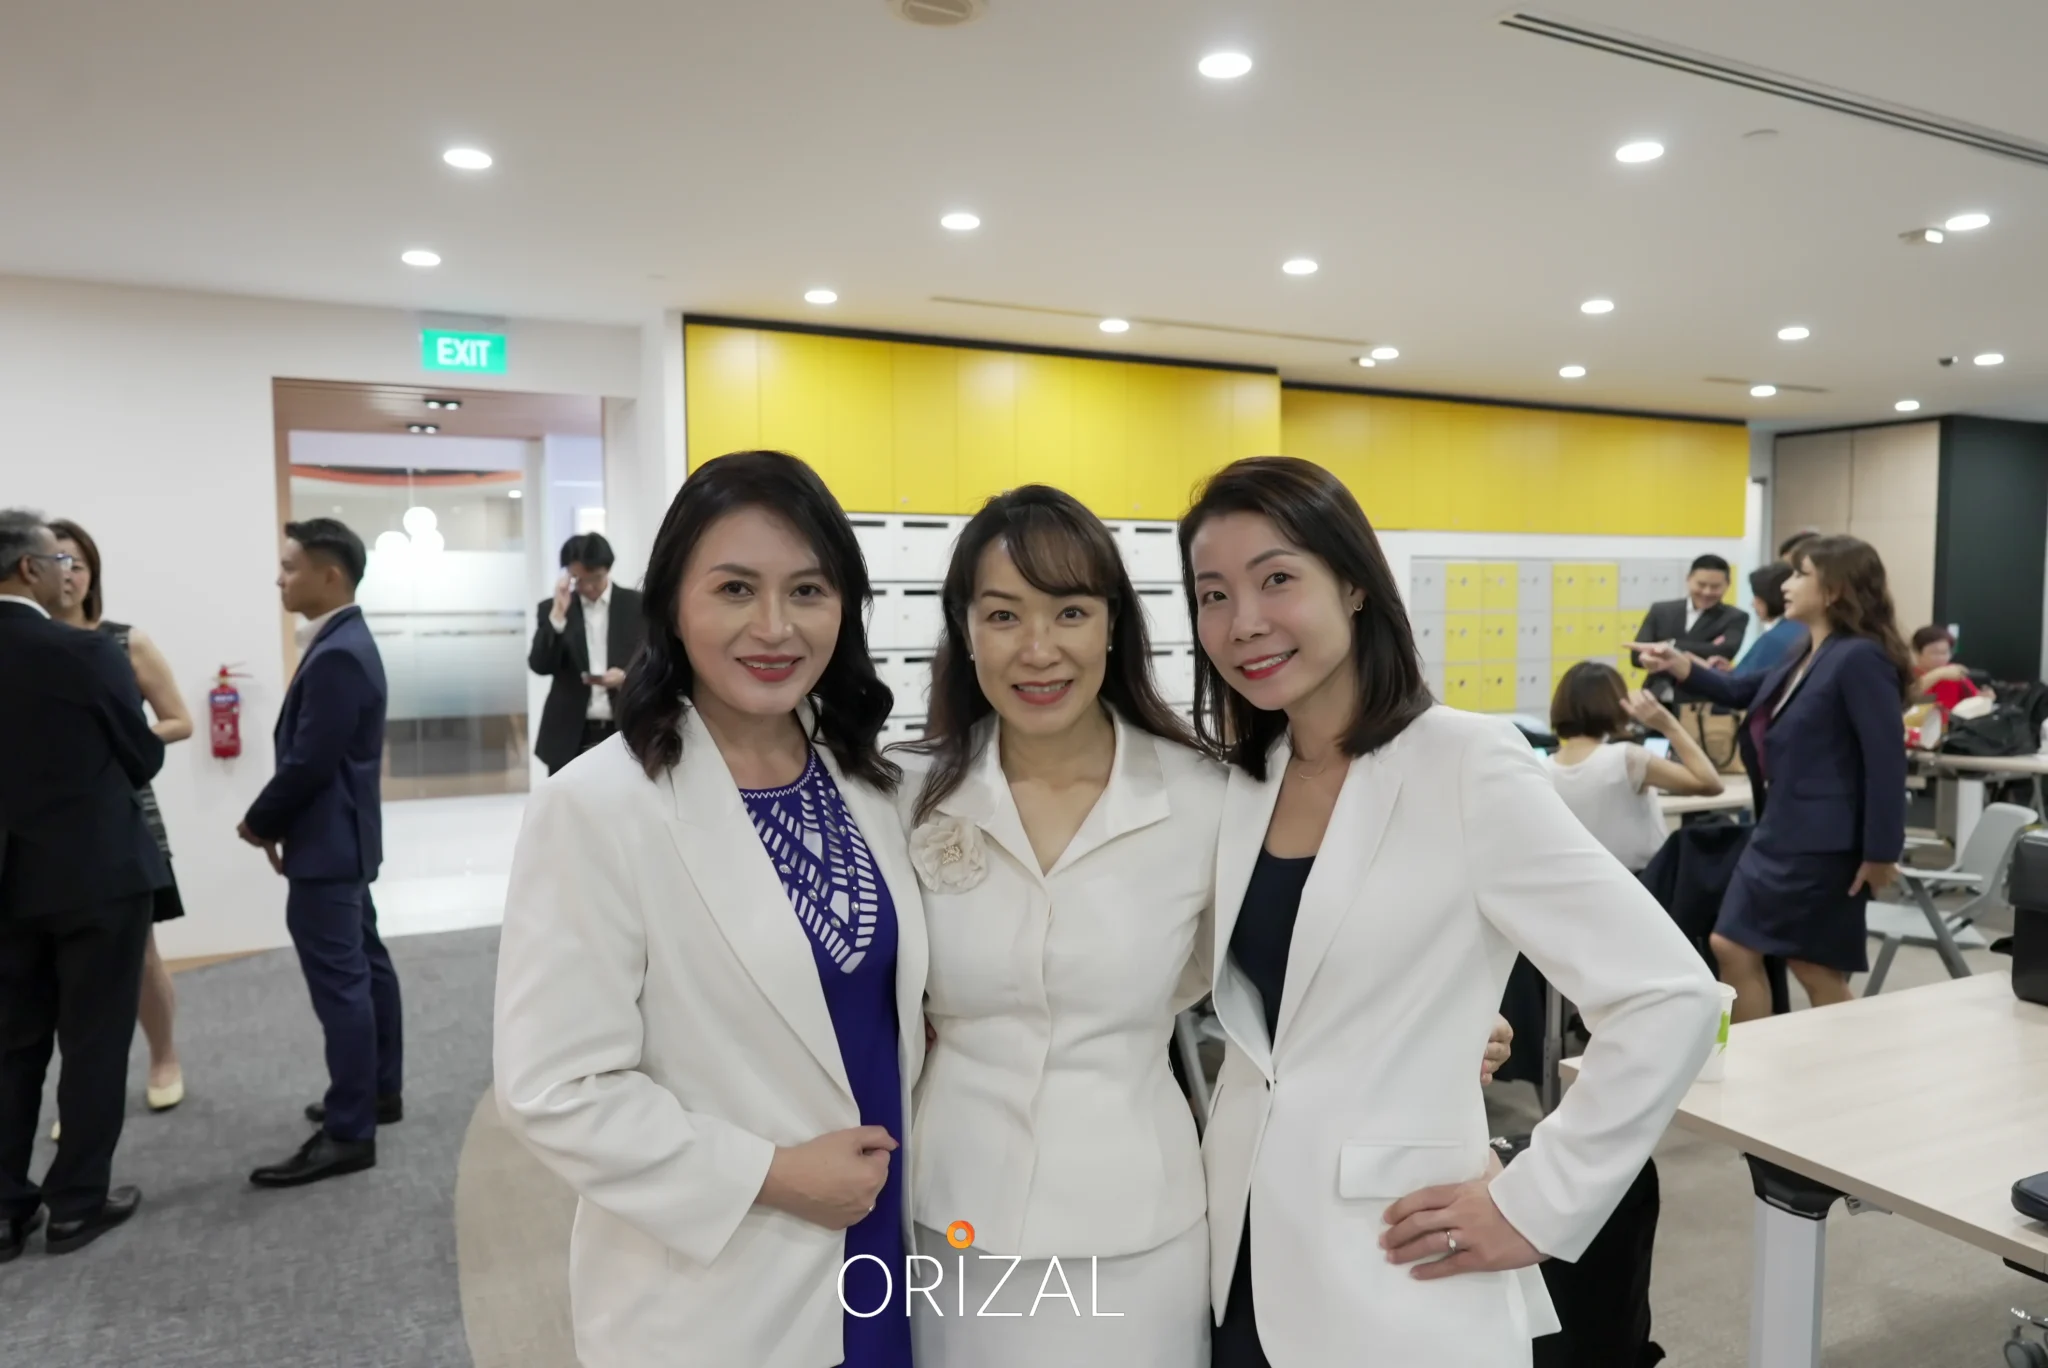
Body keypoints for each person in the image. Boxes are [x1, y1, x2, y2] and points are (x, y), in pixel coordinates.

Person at [1182, 458, 1719, 1367]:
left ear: (1353, 586)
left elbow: (1672, 997)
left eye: (1278, 579)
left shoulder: (1465, 762)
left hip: (1398, 1254)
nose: (1245, 623)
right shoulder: (1242, 780)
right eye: (1212, 594)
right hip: (1236, 1240)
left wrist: (1537, 1205)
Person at [494, 450, 926, 1367]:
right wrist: (770, 1175)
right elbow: (557, 1089)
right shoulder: (599, 804)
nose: (774, 627)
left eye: (808, 591)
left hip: (887, 1241)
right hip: (724, 1269)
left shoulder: (868, 780)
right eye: (735, 588)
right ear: (674, 607)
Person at [1634, 536, 1911, 1023]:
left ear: (1834, 589)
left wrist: (1882, 852)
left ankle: (1852, 1065)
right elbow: (1743, 688)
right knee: (1732, 944)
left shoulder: (1859, 658)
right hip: (1781, 832)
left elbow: (1886, 761)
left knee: (1814, 966)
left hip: (1824, 842)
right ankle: (1756, 1065)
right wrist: (1680, 665)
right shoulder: (1809, 650)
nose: (1787, 584)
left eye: (1800, 573)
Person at [0, 509, 165, 1258]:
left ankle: (4, 1212)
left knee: (11, 1045)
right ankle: (75, 1203)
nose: (70, 575)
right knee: (94, 1039)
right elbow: (142, 756)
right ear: (30, 571)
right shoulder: (84, 652)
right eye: (57, 563)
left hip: (7, 883)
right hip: (96, 874)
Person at [239, 519, 403, 1188]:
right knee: (366, 966)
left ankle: (349, 1129)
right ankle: (378, 1092)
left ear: (329, 574)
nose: (279, 578)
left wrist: (259, 821)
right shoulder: (344, 641)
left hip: (328, 844)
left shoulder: (337, 651)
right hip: (345, 839)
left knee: (344, 983)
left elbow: (311, 761)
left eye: (289, 566)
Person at [49, 519, 191, 1113]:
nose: (68, 573)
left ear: (93, 573)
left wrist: (118, 743)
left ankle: (163, 1056)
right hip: (43, 821)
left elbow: (178, 719)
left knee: (140, 950)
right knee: (54, 962)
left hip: (122, 810)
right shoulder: (22, 643)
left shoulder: (124, 641)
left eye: (78, 562)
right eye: (56, 560)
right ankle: (79, 1096)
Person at [1547, 662, 1724, 872]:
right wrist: (1668, 725)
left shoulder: (1544, 769)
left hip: (1581, 885)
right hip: (1643, 883)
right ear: (1615, 704)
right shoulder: (1625, 758)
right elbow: (1710, 783)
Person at [529, 532, 645, 776]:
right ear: (569, 575)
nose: (589, 587)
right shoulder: (554, 609)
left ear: (608, 570)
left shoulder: (636, 606)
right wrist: (558, 616)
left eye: (597, 578)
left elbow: (653, 659)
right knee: (567, 809)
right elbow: (540, 665)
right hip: (569, 733)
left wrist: (626, 677)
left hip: (623, 728)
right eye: (580, 579)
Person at [1631, 554, 1747, 699]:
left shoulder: (1735, 617)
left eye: (1715, 587)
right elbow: (1637, 655)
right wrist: (1704, 648)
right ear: (1688, 579)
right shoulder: (1661, 610)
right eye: (1701, 584)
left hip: (1701, 700)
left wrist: (1669, 645)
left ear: (1727, 585)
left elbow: (1724, 651)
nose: (1707, 592)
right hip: (1656, 695)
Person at [1731, 562, 1806, 680]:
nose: (1753, 603)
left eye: (1756, 596)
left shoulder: (1774, 639)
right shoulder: (1805, 629)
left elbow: (1739, 686)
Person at [1909, 625, 1981, 719]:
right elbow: (1908, 696)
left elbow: (1974, 699)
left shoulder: (1954, 674)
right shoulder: (1908, 674)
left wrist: (1984, 698)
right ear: (1917, 653)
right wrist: (1939, 674)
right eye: (1934, 653)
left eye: (1944, 653)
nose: (1941, 658)